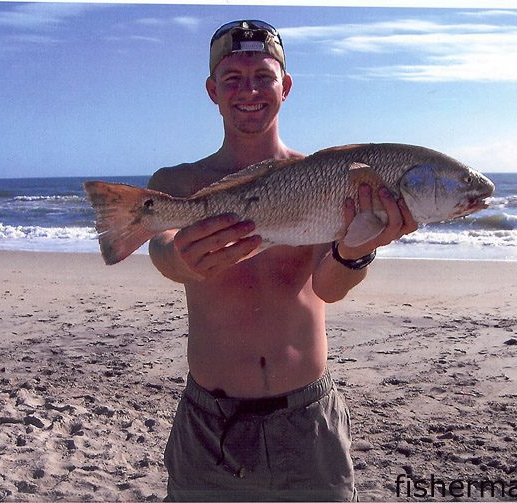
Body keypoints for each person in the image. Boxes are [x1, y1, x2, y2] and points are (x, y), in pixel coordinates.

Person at [148, 20, 419, 501]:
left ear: (285, 86)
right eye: (232, 78)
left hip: (307, 424)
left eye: (262, 76)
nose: (248, 90)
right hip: (211, 425)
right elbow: (162, 250)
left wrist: (356, 251)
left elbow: (328, 289)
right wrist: (183, 256)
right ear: (212, 91)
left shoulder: (324, 180)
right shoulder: (180, 182)